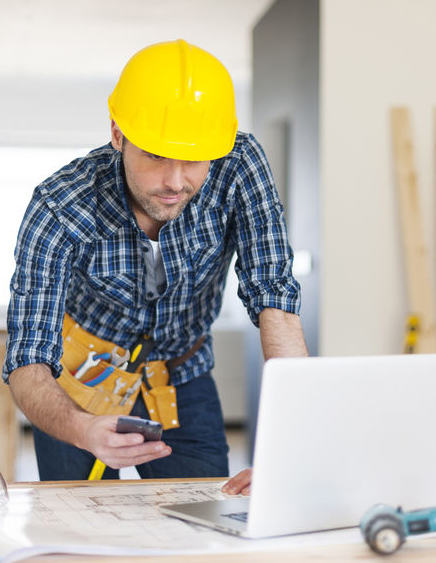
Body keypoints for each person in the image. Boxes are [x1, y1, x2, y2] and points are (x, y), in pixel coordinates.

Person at [2, 39, 308, 493]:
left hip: (182, 373)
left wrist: (294, 446)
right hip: (81, 380)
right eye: (155, 155)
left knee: (207, 519)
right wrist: (82, 429)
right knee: (77, 526)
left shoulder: (240, 163)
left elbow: (274, 298)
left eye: (193, 160)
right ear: (118, 134)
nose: (174, 182)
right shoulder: (60, 204)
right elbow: (27, 359)